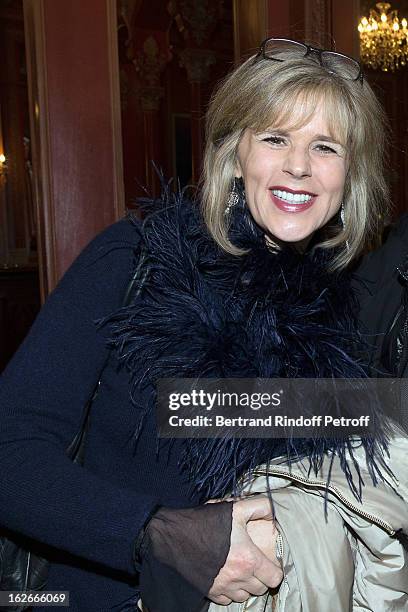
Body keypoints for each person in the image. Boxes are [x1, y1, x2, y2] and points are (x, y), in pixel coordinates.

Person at [0, 37, 407, 612]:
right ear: (235, 153)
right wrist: (154, 533)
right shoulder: (135, 261)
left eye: (325, 146)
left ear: (349, 178)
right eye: (274, 137)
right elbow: (9, 453)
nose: (299, 165)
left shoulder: (348, 313)